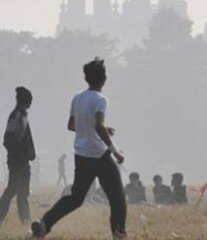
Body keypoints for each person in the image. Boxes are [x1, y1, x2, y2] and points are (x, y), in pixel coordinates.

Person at [32, 58, 126, 238]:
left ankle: (45, 223)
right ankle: (119, 232)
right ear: (104, 79)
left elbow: (72, 125)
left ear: (87, 78)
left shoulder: (78, 98)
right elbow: (98, 125)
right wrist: (115, 151)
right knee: (117, 197)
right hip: (100, 155)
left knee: (76, 198)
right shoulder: (101, 99)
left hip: (81, 155)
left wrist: (100, 128)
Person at [0, 87, 36, 225]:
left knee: (22, 192)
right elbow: (8, 139)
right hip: (18, 162)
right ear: (25, 101)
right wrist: (18, 156)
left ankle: (26, 221)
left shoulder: (22, 115)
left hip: (22, 161)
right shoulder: (17, 116)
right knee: (13, 190)